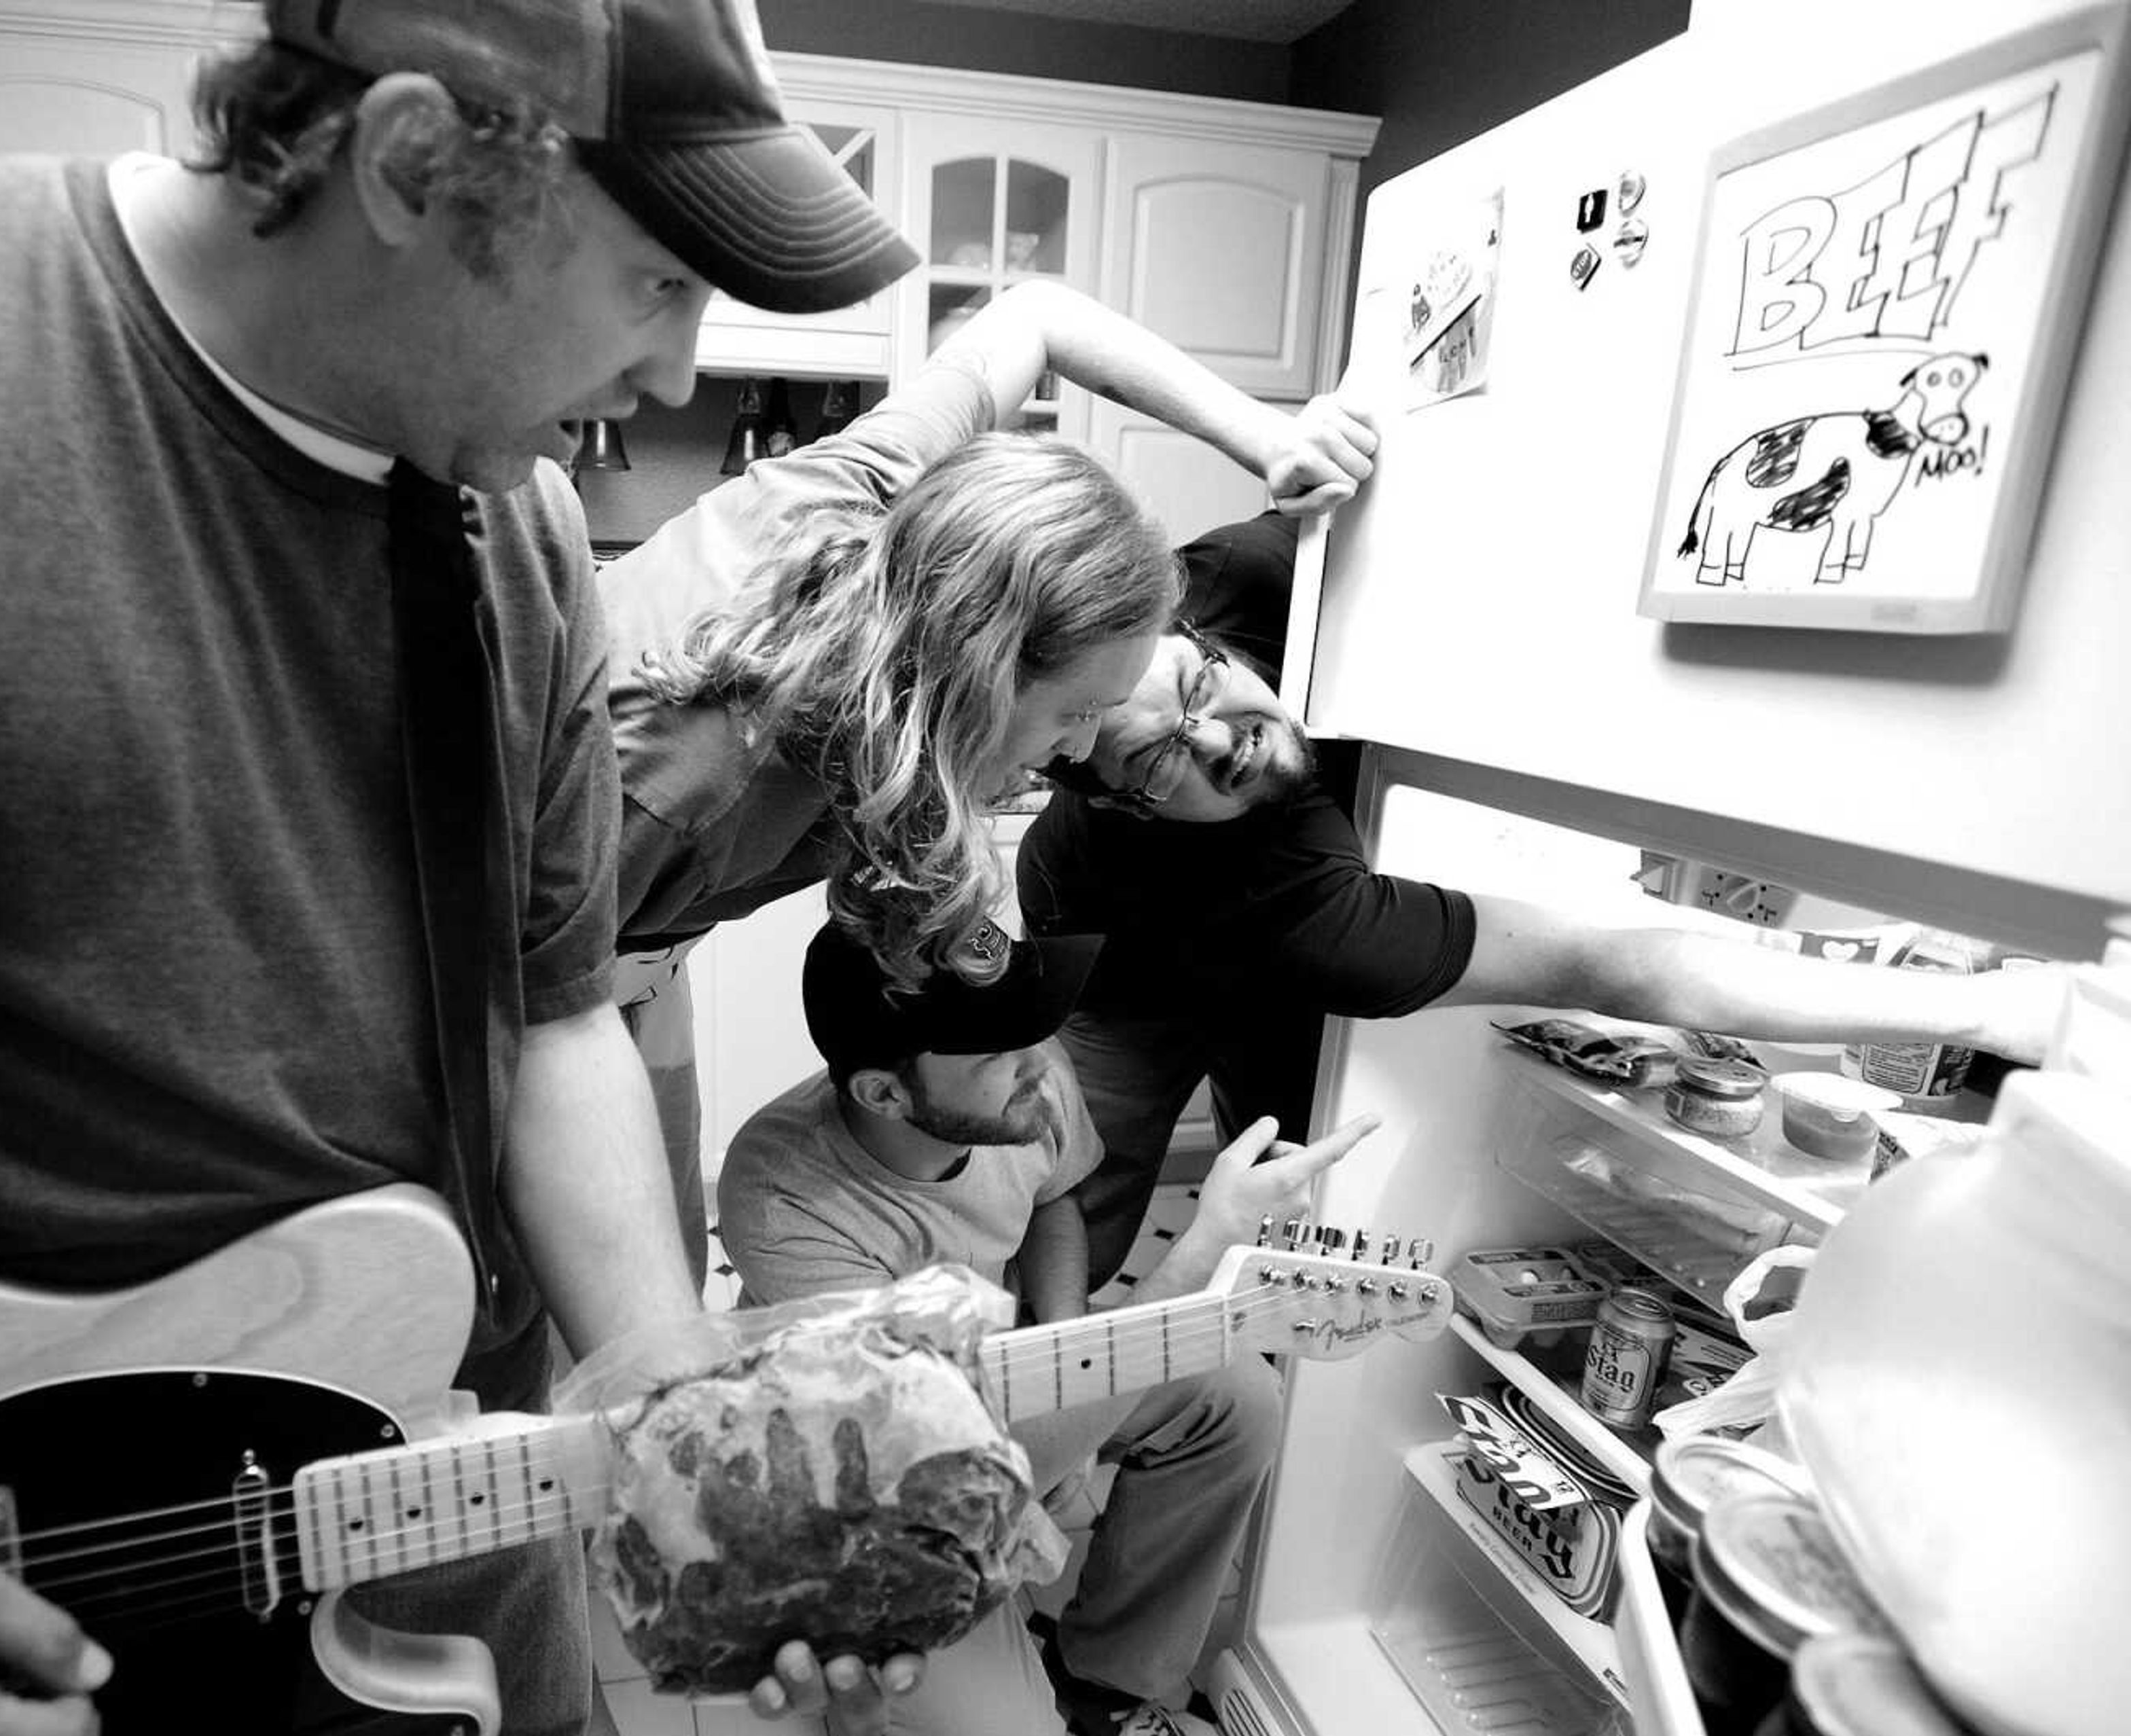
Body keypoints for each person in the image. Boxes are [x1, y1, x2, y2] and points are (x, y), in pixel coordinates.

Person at [0, 2, 922, 1732]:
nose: (675, 376)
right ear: (412, 162)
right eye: (655, 282)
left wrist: (658, 1384)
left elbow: (554, 1010)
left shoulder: (524, 547)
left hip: (408, 1536)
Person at [1018, 510, 2078, 1285]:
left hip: (1243, 917)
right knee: (1084, 1189)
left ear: (1200, 641)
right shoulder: (1305, 919)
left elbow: (1411, 489)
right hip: (1111, 943)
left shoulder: (1242, 578)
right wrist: (1990, 1012)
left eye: (1200, 689)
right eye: (1160, 762)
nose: (1220, 741)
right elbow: (1611, 964)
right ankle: (1052, 1417)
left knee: (1284, 1117)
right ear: (1133, 803)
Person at [601, 281, 1380, 1282]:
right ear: (974, 670)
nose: (1073, 754)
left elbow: (1040, 316)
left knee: (654, 1262)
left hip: (638, 957)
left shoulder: (888, 500)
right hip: (544, 971)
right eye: (1072, 714)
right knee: (587, 1306)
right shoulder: (688, 783)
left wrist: (1264, 438)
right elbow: (523, 1022)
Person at [717, 921, 1380, 1736]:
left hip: (991, 1367)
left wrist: (1073, 1355)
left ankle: (1108, 1672)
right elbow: (951, 1481)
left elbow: (1050, 1200)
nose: (1041, 1064)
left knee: (1240, 1394)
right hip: (866, 1473)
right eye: (998, 1054)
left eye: (1032, 1033)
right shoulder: (782, 1197)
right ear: (885, 1095)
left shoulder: (1027, 1074)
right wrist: (1202, 1249)